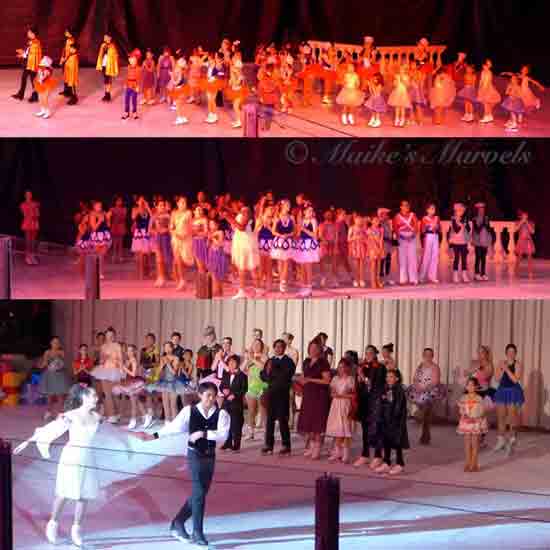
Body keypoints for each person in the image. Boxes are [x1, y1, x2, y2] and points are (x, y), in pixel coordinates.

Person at [13, 385, 122, 547]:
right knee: (64, 493)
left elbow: (113, 429)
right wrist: (28, 441)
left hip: (88, 456)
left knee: (84, 495)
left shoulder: (96, 416)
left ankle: (76, 529)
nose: (97, 398)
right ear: (83, 398)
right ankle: (52, 523)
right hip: (72, 456)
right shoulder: (70, 416)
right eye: (93, 395)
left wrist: (136, 436)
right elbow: (50, 429)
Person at [131, 382, 230, 547]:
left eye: (214, 396)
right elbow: (173, 428)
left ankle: (178, 522)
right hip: (194, 455)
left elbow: (223, 435)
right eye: (208, 396)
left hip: (210, 456)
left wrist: (203, 434)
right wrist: (153, 436)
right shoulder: (189, 411)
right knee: (199, 493)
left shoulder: (222, 414)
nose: (211, 399)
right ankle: (198, 532)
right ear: (200, 395)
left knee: (200, 494)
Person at [296, 340, 331, 460]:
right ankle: (311, 446)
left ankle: (317, 447)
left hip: (320, 395)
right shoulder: (306, 361)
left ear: (320, 350)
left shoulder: (323, 362)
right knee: (308, 421)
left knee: (318, 422)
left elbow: (327, 380)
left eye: (316, 348)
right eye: (311, 348)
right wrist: (299, 382)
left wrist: (310, 380)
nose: (313, 350)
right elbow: (304, 377)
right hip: (308, 395)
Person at [260, 339, 296, 456]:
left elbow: (286, 375)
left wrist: (271, 373)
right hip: (271, 393)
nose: (278, 349)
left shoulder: (288, 361)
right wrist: (268, 375)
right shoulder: (270, 360)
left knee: (282, 420)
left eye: (280, 346)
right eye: (276, 347)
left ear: (284, 348)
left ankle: (286, 445)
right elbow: (263, 374)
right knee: (270, 420)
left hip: (282, 394)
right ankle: (269, 445)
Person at [353, 345, 386, 469]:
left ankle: (378, 456)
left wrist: (362, 375)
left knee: (376, 429)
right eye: (366, 353)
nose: (368, 355)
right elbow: (359, 385)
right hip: (364, 401)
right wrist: (358, 377)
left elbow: (374, 385)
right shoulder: (363, 366)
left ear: (375, 354)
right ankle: (365, 454)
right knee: (365, 429)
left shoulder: (380, 367)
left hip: (375, 402)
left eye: (370, 353)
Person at [406, 348, 446, 445]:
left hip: (429, 392)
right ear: (423, 355)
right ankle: (425, 435)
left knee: (426, 414)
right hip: (419, 392)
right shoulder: (420, 366)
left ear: (432, 356)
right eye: (426, 354)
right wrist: (417, 386)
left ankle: (425, 436)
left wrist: (425, 388)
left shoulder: (435, 367)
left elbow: (435, 381)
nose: (428, 356)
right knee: (424, 414)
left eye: (430, 355)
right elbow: (415, 378)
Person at [375, 369, 409, 475]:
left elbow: (398, 407)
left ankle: (400, 463)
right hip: (386, 419)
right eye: (387, 377)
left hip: (395, 421)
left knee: (397, 442)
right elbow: (382, 402)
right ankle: (386, 462)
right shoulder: (386, 388)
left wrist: (393, 417)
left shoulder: (399, 390)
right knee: (386, 441)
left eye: (391, 377)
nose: (388, 379)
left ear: (397, 378)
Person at [493, 344, 525, 457]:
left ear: (515, 353)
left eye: (513, 352)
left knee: (512, 418)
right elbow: (497, 378)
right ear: (506, 353)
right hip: (502, 391)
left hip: (513, 391)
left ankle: (511, 441)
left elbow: (515, 380)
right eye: (509, 351)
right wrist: (502, 369)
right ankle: (501, 440)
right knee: (501, 417)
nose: (511, 353)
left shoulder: (518, 364)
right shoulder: (501, 363)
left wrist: (506, 369)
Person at [90, 327, 124, 423]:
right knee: (107, 394)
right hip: (104, 371)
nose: (109, 337)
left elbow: (121, 359)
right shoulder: (103, 346)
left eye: (111, 335)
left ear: (114, 336)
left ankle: (117, 413)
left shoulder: (117, 346)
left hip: (115, 371)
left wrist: (121, 370)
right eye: (108, 335)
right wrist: (103, 358)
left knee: (115, 394)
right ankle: (111, 415)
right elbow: (101, 361)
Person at [326, 358, 356, 464]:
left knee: (346, 429)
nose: (340, 369)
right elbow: (332, 392)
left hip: (345, 405)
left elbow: (353, 395)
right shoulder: (335, 379)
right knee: (337, 428)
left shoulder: (350, 379)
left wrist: (342, 395)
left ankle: (346, 453)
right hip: (336, 405)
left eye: (343, 367)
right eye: (339, 367)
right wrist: (334, 394)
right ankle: (337, 451)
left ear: (347, 368)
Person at [457, 377, 489, 472]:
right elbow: (461, 410)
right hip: (467, 423)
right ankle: (467, 462)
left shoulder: (479, 398)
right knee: (467, 443)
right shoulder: (463, 398)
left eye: (472, 385)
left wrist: (476, 418)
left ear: (476, 387)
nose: (470, 387)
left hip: (476, 423)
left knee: (475, 443)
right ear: (466, 387)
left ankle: (474, 463)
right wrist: (464, 414)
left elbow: (482, 411)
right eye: (468, 385)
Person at [112, 344, 146, 429]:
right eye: (128, 350)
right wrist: (121, 367)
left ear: (134, 351)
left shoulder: (133, 360)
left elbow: (133, 374)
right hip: (128, 382)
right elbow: (124, 372)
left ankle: (133, 420)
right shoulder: (128, 360)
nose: (129, 352)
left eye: (131, 350)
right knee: (137, 401)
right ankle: (145, 415)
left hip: (134, 382)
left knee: (133, 402)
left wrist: (124, 368)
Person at [220, 355, 248, 452]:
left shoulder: (242, 375)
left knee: (236, 424)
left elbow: (244, 389)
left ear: (238, 363)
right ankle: (228, 443)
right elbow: (221, 386)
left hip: (236, 403)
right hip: (226, 402)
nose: (231, 364)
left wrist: (234, 395)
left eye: (233, 362)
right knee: (227, 424)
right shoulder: (226, 374)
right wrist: (224, 390)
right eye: (229, 362)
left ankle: (236, 445)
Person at [39, 337, 71, 420]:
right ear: (51, 343)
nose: (56, 344)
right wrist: (41, 365)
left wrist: (59, 365)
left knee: (60, 395)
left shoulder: (61, 352)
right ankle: (48, 412)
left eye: (57, 342)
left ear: (59, 344)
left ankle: (60, 413)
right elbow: (45, 362)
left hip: (60, 375)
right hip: (50, 375)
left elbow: (64, 363)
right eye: (54, 342)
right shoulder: (47, 352)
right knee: (50, 396)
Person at [243, 339, 268, 440]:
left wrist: (253, 359)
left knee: (264, 412)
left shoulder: (265, 357)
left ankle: (267, 432)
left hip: (263, 387)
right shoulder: (249, 357)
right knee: (251, 412)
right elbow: (242, 369)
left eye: (258, 344)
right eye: (254, 344)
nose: (256, 346)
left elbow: (263, 367)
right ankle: (250, 432)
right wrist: (246, 360)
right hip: (251, 388)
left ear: (262, 346)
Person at [12, 26, 42, 102]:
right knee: (24, 78)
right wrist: (23, 53)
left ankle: (35, 96)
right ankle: (21, 94)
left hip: (32, 65)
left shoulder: (35, 44)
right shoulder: (31, 42)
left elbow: (32, 56)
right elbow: (28, 52)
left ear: (33, 34)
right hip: (28, 64)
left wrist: (22, 55)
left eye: (29, 32)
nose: (28, 34)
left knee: (33, 81)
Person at [393, 201, 419, 285]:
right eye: (404, 205)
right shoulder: (397, 216)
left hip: (411, 238)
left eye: (407, 205)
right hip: (401, 238)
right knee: (402, 259)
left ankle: (413, 279)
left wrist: (412, 236)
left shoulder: (413, 215)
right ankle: (403, 279)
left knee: (412, 258)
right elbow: (395, 228)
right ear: (401, 207)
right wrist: (401, 236)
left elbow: (416, 226)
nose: (406, 207)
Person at [449, 202, 471, 284]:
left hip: (464, 241)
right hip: (455, 242)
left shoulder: (465, 219)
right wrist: (461, 224)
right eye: (458, 210)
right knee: (456, 258)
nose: (460, 212)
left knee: (464, 259)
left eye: (462, 211)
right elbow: (456, 230)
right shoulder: (453, 219)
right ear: (455, 211)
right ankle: (455, 275)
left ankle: (464, 275)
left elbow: (468, 229)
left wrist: (466, 224)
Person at [419, 203, 441, 284]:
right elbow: (422, 231)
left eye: (434, 209)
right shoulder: (424, 218)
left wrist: (437, 228)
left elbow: (439, 229)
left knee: (435, 256)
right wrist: (428, 227)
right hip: (428, 237)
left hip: (435, 237)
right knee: (426, 256)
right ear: (427, 210)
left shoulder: (437, 218)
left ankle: (432, 276)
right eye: (431, 209)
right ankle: (421, 276)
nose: (433, 210)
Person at [472, 202, 492, 281]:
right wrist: (483, 223)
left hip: (485, 240)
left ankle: (483, 273)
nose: (482, 211)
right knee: (478, 257)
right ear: (477, 210)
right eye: (480, 210)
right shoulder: (474, 219)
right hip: (477, 240)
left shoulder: (486, 218)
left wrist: (486, 224)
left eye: (483, 209)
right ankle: (476, 273)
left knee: (483, 258)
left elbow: (488, 229)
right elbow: (477, 230)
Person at [96, 32, 119, 102]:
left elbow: (115, 55)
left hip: (109, 65)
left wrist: (112, 59)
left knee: (108, 79)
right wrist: (99, 64)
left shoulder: (112, 46)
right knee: (106, 80)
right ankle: (106, 93)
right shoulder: (103, 45)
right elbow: (100, 55)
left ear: (110, 38)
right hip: (104, 64)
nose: (104, 38)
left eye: (106, 37)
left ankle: (108, 94)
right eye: (104, 37)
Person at [20, 190, 40, 265]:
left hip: (34, 223)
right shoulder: (23, 204)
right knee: (28, 240)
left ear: (31, 195)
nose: (29, 195)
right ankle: (27, 256)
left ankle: (32, 256)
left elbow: (38, 214)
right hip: (27, 222)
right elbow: (25, 214)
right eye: (27, 194)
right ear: (25, 196)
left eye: (30, 194)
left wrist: (35, 213)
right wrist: (32, 209)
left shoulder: (35, 203)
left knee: (33, 241)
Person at [121, 49, 142, 120]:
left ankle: (134, 112)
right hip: (128, 85)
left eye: (133, 60)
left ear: (136, 60)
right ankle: (126, 112)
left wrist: (138, 86)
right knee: (126, 99)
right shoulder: (128, 67)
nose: (131, 61)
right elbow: (127, 76)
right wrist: (125, 84)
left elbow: (139, 78)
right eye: (130, 60)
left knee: (134, 100)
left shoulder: (138, 68)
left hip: (134, 85)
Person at [515, 210, 536, 277]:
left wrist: (526, 222)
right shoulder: (518, 222)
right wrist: (521, 222)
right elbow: (516, 229)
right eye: (523, 216)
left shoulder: (531, 223)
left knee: (529, 257)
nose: (525, 217)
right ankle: (516, 271)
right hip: (521, 241)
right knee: (519, 257)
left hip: (528, 241)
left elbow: (532, 232)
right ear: (521, 216)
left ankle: (530, 272)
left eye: (526, 215)